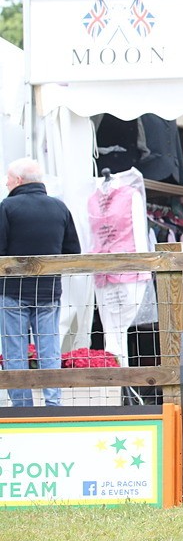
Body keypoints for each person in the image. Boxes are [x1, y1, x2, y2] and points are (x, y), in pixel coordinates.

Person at [0, 157, 82, 406]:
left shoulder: (6, 207)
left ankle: (22, 407)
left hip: (12, 291)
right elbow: (73, 252)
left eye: (8, 179)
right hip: (48, 291)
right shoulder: (59, 208)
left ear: (19, 181)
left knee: (15, 350)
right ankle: (53, 404)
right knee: (49, 349)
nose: (6, 183)